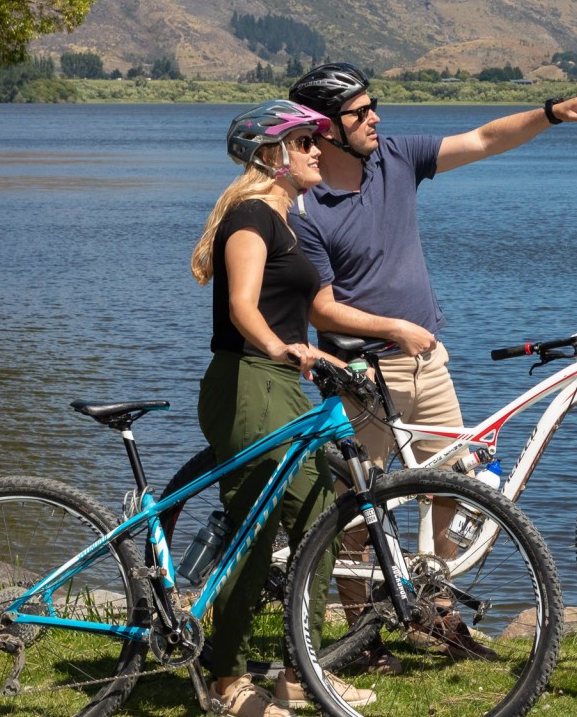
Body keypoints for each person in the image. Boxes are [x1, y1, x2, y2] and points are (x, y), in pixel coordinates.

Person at [288, 62, 577, 476]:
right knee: (355, 515)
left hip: (429, 364)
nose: (375, 118)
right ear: (327, 128)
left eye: (373, 106)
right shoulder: (305, 207)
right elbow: (321, 310)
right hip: (362, 376)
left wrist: (549, 113)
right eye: (361, 112)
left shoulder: (396, 157)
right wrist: (395, 329)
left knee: (452, 490)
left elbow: (482, 140)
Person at [190, 99, 375, 717]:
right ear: (272, 155)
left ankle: (301, 671)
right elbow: (243, 304)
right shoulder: (250, 215)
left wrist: (337, 357)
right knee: (256, 522)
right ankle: (225, 679)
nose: (318, 151)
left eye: (316, 142)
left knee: (323, 510)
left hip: (282, 383)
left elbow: (305, 309)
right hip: (248, 380)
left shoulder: (287, 221)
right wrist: (281, 346)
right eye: (304, 143)